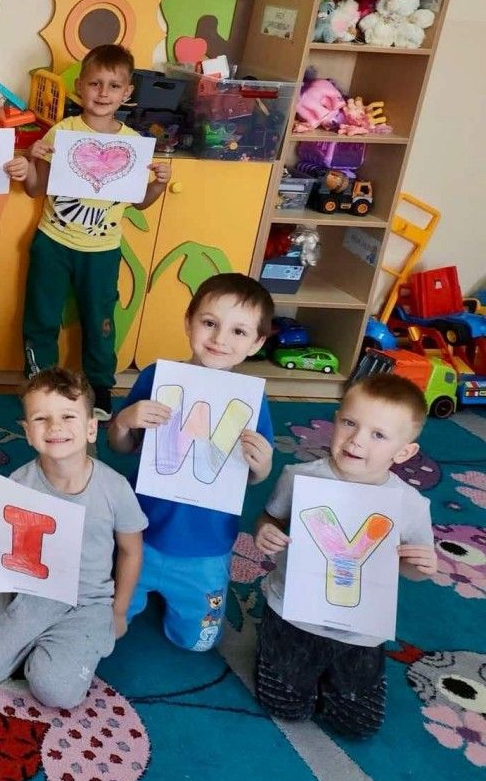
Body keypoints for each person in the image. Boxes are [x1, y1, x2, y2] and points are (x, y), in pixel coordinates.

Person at [253, 374, 438, 738]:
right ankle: (273, 654)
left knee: (358, 725)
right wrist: (265, 531)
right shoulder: (298, 476)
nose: (357, 440)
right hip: (292, 614)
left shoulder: (410, 504)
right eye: (350, 423)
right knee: (284, 706)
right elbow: (270, 518)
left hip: (361, 631)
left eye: (378, 435)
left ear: (404, 452)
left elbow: (412, 567)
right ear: (335, 420)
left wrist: (422, 567)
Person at [0, 367, 147, 709]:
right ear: (27, 433)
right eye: (41, 418)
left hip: (86, 602)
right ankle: (6, 625)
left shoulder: (114, 488)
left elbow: (131, 550)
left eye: (68, 416)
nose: (55, 427)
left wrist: (118, 612)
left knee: (57, 691)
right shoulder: (17, 483)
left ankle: (40, 650)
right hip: (27, 591)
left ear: (91, 428)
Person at [106, 273, 277, 651]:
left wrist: (262, 465)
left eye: (238, 331)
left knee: (197, 642)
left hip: (206, 546)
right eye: (210, 323)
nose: (220, 339)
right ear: (188, 321)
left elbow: (251, 477)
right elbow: (120, 446)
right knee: (105, 620)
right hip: (140, 532)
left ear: (256, 343)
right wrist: (124, 421)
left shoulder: (250, 401)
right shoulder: (156, 377)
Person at [10, 44, 171, 417]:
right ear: (80, 86)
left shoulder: (133, 144)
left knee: (100, 322)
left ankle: (99, 387)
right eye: (95, 83)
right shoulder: (62, 132)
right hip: (53, 242)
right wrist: (30, 163)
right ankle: (40, 384)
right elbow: (35, 189)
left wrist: (159, 184)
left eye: (113, 86)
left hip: (102, 251)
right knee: (41, 316)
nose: (103, 93)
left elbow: (139, 202)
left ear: (127, 92)